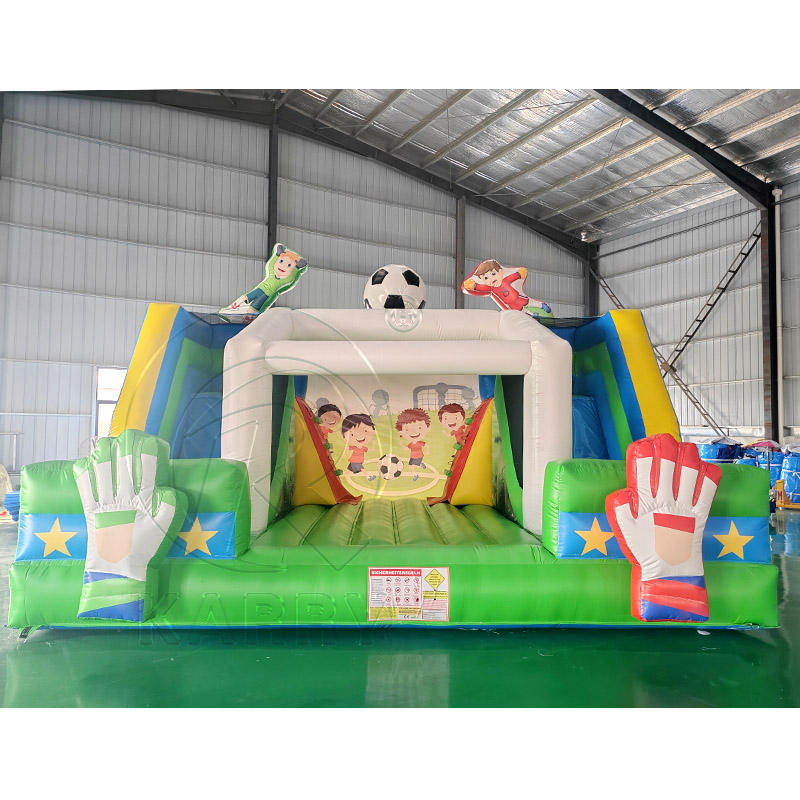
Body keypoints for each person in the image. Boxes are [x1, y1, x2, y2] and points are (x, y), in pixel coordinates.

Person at [218, 243, 308, 321]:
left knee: (253, 307)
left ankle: (247, 320)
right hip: (260, 289)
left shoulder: (284, 280)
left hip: (267, 295)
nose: (283, 266)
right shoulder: (271, 273)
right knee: (244, 298)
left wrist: (297, 268)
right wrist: (277, 255)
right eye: (281, 261)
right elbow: (271, 264)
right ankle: (229, 310)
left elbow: (291, 278)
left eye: (289, 265)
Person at [462, 259, 552, 318]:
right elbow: (481, 287)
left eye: (493, 274)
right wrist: (473, 285)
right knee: (521, 311)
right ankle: (533, 316)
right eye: (486, 278)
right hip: (511, 304)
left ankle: (541, 306)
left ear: (501, 272)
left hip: (518, 297)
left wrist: (519, 274)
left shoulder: (505, 280)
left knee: (528, 302)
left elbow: (513, 277)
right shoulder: (491, 289)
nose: (491, 278)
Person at [396, 408, 431, 481]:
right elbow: (407, 448)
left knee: (412, 467)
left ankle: (416, 473)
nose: (413, 432)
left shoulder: (419, 442)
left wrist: (427, 450)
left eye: (419, 427)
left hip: (419, 456)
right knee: (411, 466)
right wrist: (402, 445)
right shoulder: (411, 444)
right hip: (412, 457)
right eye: (407, 429)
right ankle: (419, 468)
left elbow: (426, 445)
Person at [341, 413, 377, 480]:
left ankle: (340, 474)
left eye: (365, 431)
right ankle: (369, 477)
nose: (359, 436)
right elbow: (345, 447)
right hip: (356, 462)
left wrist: (373, 445)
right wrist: (343, 453)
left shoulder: (363, 448)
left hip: (355, 461)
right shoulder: (354, 447)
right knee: (363, 470)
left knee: (348, 471)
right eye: (352, 434)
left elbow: (370, 450)